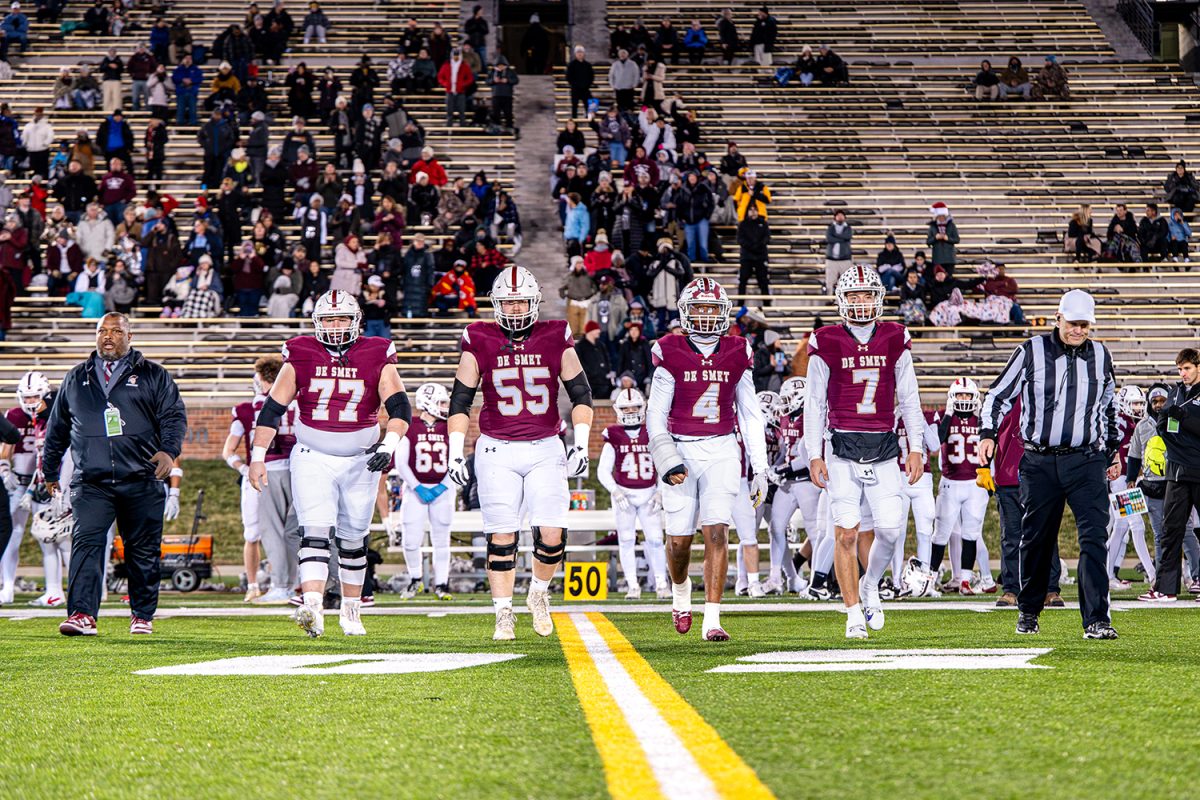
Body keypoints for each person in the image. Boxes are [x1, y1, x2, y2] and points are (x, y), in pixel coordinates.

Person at [248, 290, 410, 638]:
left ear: (357, 322)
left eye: (342, 319)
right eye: (329, 320)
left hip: (360, 459)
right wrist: (257, 457)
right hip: (313, 455)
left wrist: (390, 443)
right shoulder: (301, 352)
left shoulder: (377, 352)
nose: (335, 327)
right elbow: (272, 410)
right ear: (317, 323)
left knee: (353, 539)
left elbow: (400, 408)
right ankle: (314, 608)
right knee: (315, 531)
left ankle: (351, 611)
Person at [446, 266, 594, 641]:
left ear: (533, 303)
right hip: (496, 448)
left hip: (546, 445)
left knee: (553, 534)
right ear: (497, 304)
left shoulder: (554, 334)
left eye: (521, 302)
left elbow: (582, 394)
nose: (514, 309)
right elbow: (460, 400)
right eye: (508, 302)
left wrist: (581, 441)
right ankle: (503, 612)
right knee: (501, 536)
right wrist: (453, 451)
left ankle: (539, 594)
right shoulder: (478, 337)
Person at [979, 289, 1120, 639]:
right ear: (1058, 318)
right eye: (1073, 323)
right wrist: (987, 433)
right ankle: (1029, 610)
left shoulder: (1101, 356)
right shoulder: (1031, 351)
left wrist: (1113, 449)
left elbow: (1108, 406)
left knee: (1093, 539)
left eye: (1085, 325)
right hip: (1039, 460)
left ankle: (1096, 620)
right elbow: (998, 395)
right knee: (1036, 539)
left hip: (1086, 460)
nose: (1079, 331)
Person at [45, 313, 187, 636]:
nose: (108, 337)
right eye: (102, 331)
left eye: (116, 331)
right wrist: (50, 468)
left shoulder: (153, 375)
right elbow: (57, 428)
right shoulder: (76, 377)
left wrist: (168, 450)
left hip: (141, 477)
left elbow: (173, 416)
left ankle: (142, 614)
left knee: (142, 549)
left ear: (130, 336)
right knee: (86, 544)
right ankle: (82, 613)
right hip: (92, 480)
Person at [806, 266, 926, 638]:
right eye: (854, 296)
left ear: (879, 298)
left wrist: (916, 446)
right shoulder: (825, 339)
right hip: (842, 446)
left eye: (867, 295)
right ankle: (853, 613)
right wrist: (814, 452)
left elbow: (909, 397)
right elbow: (813, 403)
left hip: (884, 445)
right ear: (842, 300)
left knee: (890, 531)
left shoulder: (894, 336)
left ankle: (871, 583)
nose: (861, 303)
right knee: (845, 533)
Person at [648, 277, 768, 640]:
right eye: (697, 308)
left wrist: (759, 467)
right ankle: (681, 592)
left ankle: (712, 618)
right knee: (679, 542)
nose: (703, 316)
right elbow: (655, 414)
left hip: (721, 447)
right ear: (685, 311)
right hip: (681, 445)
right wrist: (666, 456)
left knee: (718, 531)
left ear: (723, 313)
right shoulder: (670, 349)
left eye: (710, 309)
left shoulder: (737, 350)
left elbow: (750, 413)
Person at [223, 357, 299, 604]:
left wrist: (244, 469)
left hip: (268, 469)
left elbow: (229, 450)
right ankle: (301, 584)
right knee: (297, 531)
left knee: (270, 531)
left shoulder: (249, 408)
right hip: (300, 470)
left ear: (263, 379)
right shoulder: (298, 402)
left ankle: (281, 584)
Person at [597, 388, 667, 599]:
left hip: (649, 493)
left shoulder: (652, 432)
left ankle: (662, 584)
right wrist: (615, 492)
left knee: (655, 539)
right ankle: (632, 585)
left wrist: (661, 492)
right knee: (626, 540)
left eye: (634, 407)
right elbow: (602, 470)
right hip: (624, 493)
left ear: (642, 407)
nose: (630, 411)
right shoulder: (613, 434)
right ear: (618, 410)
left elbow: (664, 465)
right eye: (625, 408)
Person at [927, 378, 994, 593]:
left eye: (967, 395)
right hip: (950, 483)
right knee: (940, 534)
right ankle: (930, 578)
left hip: (975, 484)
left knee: (971, 534)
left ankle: (965, 580)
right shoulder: (945, 417)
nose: (963, 399)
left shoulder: (982, 420)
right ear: (951, 398)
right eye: (959, 395)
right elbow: (936, 442)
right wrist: (947, 414)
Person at [394, 383, 455, 601]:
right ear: (427, 402)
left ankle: (442, 584)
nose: (444, 407)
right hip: (414, 490)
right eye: (441, 402)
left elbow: (456, 461)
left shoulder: (450, 426)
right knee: (410, 540)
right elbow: (400, 463)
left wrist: (443, 485)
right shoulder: (409, 426)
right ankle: (415, 579)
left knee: (442, 540)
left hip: (443, 490)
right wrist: (417, 486)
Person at [1152, 348, 1200, 603]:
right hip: (1177, 470)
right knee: (1170, 529)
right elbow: (1163, 426)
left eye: (1188, 368)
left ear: (1198, 367)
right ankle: (1166, 587)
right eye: (1180, 369)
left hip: (1198, 469)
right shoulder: (1175, 392)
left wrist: (1185, 419)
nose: (1183, 374)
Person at [767, 376, 821, 595]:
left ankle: (818, 580)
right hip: (788, 482)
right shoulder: (786, 418)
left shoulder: (812, 418)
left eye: (789, 397)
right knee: (776, 528)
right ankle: (777, 577)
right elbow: (786, 451)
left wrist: (782, 469)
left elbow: (806, 457)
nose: (785, 402)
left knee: (815, 533)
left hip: (808, 481)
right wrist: (776, 466)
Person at [0, 371, 46, 605]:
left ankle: (54, 589)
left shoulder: (51, 414)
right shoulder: (13, 415)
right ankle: (7, 585)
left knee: (48, 537)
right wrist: (4, 468)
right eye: (26, 397)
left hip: (43, 482)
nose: (30, 401)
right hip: (18, 481)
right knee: (13, 534)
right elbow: (6, 446)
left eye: (35, 396)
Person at [1104, 385, 1156, 590]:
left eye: (1140, 404)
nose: (1138, 407)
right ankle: (1153, 576)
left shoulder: (1136, 424)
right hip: (1120, 479)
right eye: (1134, 403)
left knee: (1121, 527)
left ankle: (1105, 575)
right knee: (1137, 525)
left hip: (1128, 479)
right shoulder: (1118, 424)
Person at [737, 204, 770, 299]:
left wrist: (758, 246)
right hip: (747, 257)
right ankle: (740, 303)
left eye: (755, 209)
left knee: (763, 281)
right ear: (747, 211)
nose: (753, 212)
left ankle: (767, 304)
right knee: (743, 280)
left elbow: (767, 238)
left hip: (761, 256)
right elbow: (740, 240)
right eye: (751, 210)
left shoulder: (763, 223)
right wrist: (751, 246)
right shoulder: (743, 224)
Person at [438, 47, 474, 127]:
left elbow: (470, 78)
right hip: (449, 91)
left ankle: (462, 129)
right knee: (449, 111)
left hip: (460, 91)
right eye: (454, 55)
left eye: (457, 55)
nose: (456, 57)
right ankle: (449, 128)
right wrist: (445, 84)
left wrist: (463, 84)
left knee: (461, 111)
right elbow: (440, 77)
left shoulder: (464, 66)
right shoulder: (446, 65)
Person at [823, 208, 852, 292]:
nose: (840, 217)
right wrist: (842, 238)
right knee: (830, 281)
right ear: (835, 217)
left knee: (846, 282)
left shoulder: (848, 228)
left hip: (845, 259)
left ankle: (844, 301)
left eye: (841, 215)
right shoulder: (830, 228)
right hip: (831, 259)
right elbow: (829, 239)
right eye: (838, 215)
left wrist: (835, 236)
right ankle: (829, 299)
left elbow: (848, 237)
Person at [926, 201, 959, 273]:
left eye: (942, 216)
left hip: (949, 258)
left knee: (949, 278)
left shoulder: (951, 225)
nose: (941, 218)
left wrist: (948, 239)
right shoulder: (933, 226)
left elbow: (957, 239)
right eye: (939, 216)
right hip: (937, 258)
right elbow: (928, 241)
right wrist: (935, 238)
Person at [565, 45, 594, 118]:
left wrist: (587, 85)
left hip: (585, 89)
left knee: (589, 106)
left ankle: (590, 122)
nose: (580, 54)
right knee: (574, 107)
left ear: (584, 53)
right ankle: (575, 123)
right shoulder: (571, 65)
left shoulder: (588, 65)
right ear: (575, 54)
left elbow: (591, 76)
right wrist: (575, 85)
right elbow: (568, 77)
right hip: (575, 89)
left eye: (581, 52)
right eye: (578, 52)